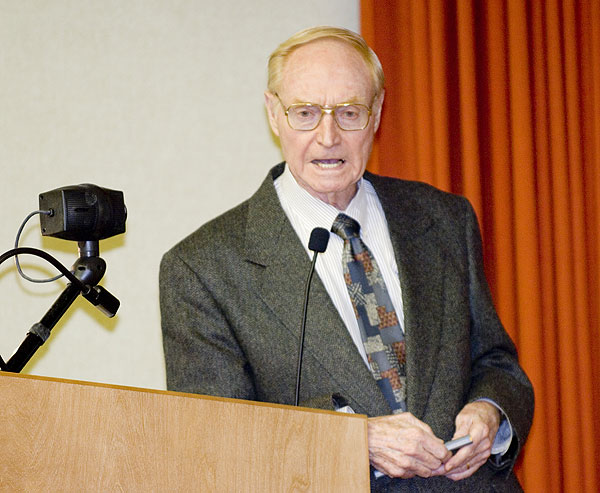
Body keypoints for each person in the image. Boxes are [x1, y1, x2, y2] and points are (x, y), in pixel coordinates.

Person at [160, 26, 534, 491]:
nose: (328, 136)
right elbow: (214, 440)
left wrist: (490, 413)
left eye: (350, 113)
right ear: (274, 114)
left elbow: (495, 361)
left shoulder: (444, 219)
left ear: (376, 115)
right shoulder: (204, 268)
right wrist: (355, 441)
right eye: (306, 113)